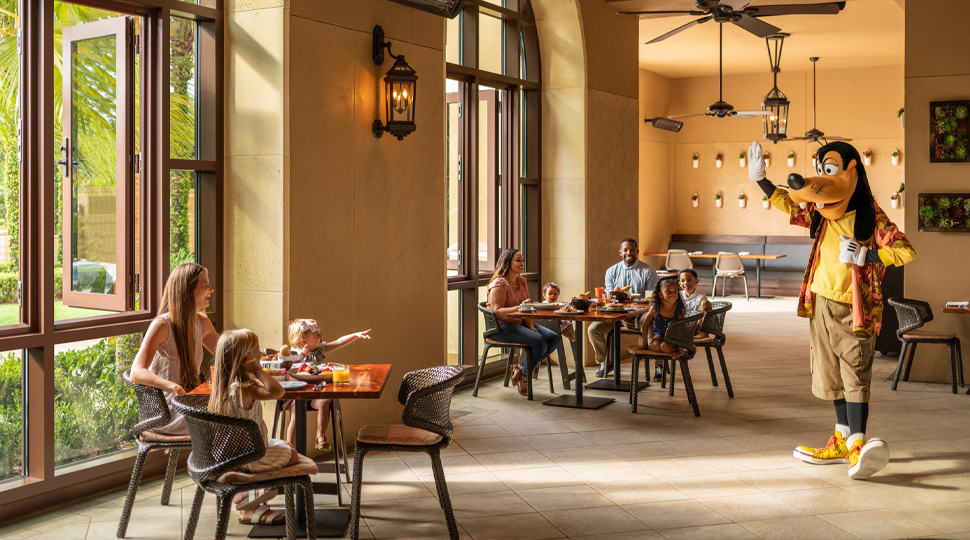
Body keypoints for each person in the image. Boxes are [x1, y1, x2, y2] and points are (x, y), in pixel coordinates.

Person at [748, 140, 915, 479]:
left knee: (854, 374)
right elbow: (789, 203)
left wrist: (869, 255)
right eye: (821, 168)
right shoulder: (820, 212)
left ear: (852, 172)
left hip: (856, 309)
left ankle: (857, 444)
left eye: (832, 169)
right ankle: (840, 439)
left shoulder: (872, 217)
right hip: (819, 302)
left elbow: (905, 250)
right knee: (831, 375)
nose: (823, 180)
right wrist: (761, 179)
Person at [209, 329, 300, 525]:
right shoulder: (246, 389)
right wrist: (258, 370)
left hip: (228, 456)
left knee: (285, 445)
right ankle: (249, 492)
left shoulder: (221, 388)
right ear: (246, 360)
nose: (261, 354)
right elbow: (278, 391)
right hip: (250, 457)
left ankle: (247, 506)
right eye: (257, 350)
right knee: (293, 455)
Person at [130, 263, 219, 435]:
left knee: (237, 404)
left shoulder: (201, 323)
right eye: (205, 284)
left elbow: (228, 355)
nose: (212, 289)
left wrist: (256, 358)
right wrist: (173, 387)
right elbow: (136, 372)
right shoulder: (162, 325)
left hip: (189, 404)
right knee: (228, 417)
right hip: (166, 412)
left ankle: (254, 459)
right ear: (188, 290)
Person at [282, 319, 371, 452]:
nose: (321, 336)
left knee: (324, 402)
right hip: (299, 394)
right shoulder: (294, 354)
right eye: (316, 334)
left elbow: (338, 342)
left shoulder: (319, 350)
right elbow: (284, 366)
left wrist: (355, 335)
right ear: (304, 342)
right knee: (296, 417)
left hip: (317, 393)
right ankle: (290, 448)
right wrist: (297, 358)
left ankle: (320, 437)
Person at [487, 249, 561, 396]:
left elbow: (527, 308)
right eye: (518, 260)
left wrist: (532, 326)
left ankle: (520, 370)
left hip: (519, 323)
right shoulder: (499, 283)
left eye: (522, 260)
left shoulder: (522, 281)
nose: (522, 263)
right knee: (540, 342)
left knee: (553, 338)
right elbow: (497, 311)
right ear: (508, 262)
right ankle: (525, 378)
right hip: (501, 326)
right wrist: (519, 308)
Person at [588, 238, 659, 377]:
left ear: (637, 251)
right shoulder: (611, 271)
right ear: (620, 252)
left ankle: (659, 366)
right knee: (593, 329)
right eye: (625, 250)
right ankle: (605, 362)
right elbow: (609, 298)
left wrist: (631, 315)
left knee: (650, 324)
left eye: (632, 249)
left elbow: (651, 300)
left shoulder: (648, 271)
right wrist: (621, 316)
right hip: (615, 314)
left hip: (640, 314)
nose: (629, 252)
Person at [641, 278, 687, 360]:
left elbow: (681, 329)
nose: (673, 294)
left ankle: (673, 348)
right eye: (668, 291)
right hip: (659, 334)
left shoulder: (679, 309)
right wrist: (645, 345)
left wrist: (680, 350)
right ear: (660, 294)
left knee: (664, 347)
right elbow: (645, 325)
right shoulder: (655, 307)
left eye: (675, 291)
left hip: (674, 337)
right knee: (655, 346)